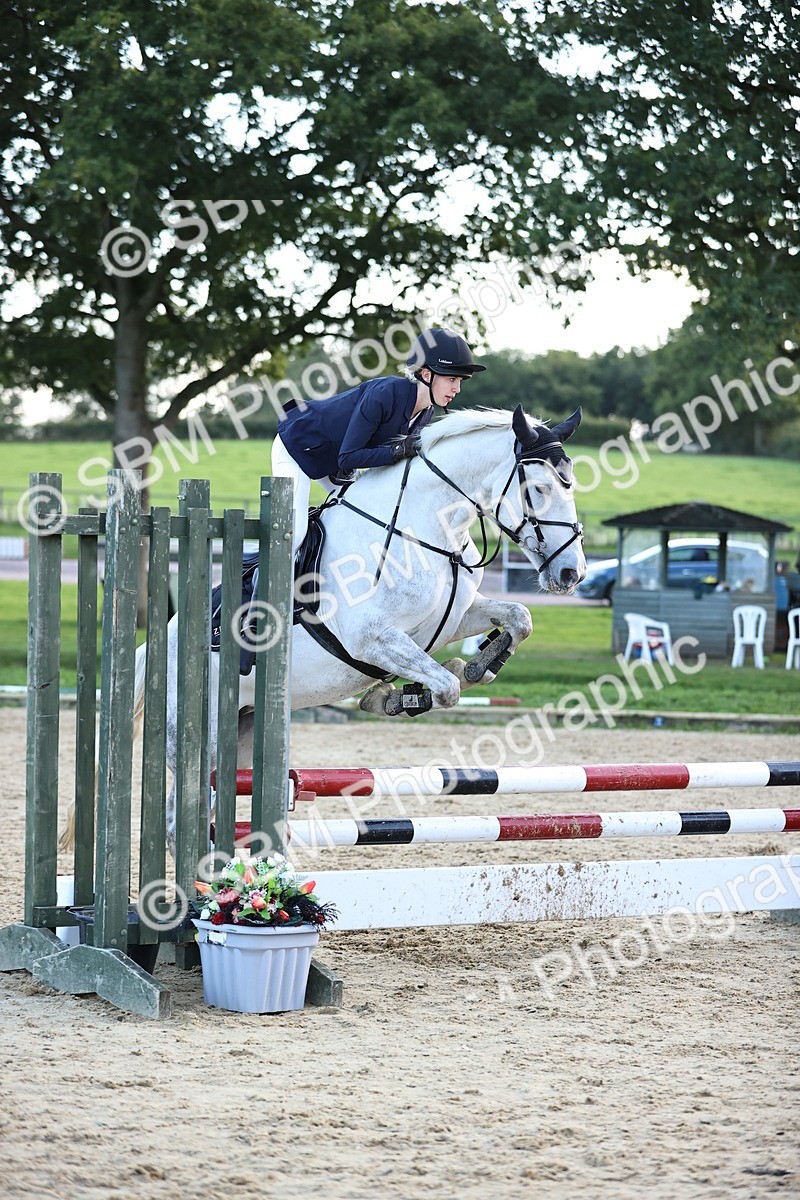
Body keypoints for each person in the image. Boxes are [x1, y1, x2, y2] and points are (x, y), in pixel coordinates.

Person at [271, 327, 486, 552]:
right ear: (426, 374)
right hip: (298, 445)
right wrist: (398, 450)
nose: (457, 388)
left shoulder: (426, 411)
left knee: (360, 516)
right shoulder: (385, 393)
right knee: (293, 534)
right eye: (452, 379)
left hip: (333, 461)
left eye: (460, 380)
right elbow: (348, 457)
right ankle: (259, 585)